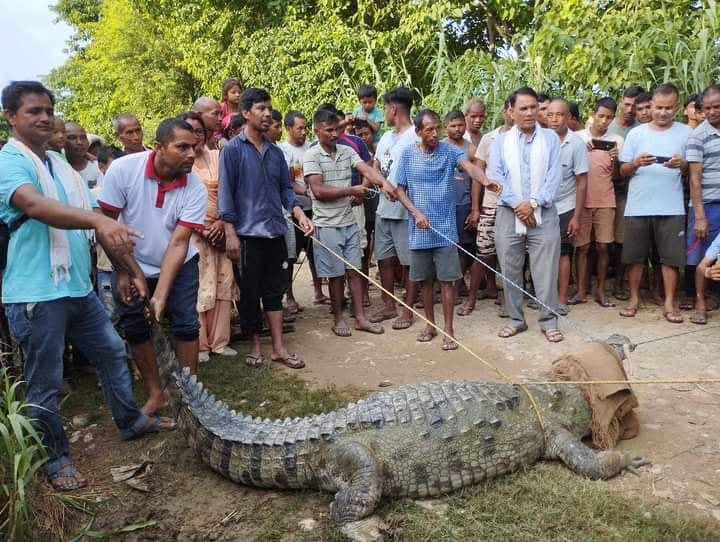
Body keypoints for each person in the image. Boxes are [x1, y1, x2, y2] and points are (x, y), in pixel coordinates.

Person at [0, 81, 174, 491]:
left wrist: (129, 269)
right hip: (36, 293)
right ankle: (55, 458)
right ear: (11, 117)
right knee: (44, 381)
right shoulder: (10, 161)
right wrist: (98, 221)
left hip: (78, 287)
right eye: (32, 111)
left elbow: (101, 227)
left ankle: (130, 420)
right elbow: (34, 205)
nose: (44, 117)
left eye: (47, 109)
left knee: (113, 352)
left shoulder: (61, 165)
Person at [99, 118, 208, 413]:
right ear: (158, 147)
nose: (190, 153)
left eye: (194, 147)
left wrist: (159, 294)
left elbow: (178, 243)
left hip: (178, 262)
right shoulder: (123, 170)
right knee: (135, 324)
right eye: (182, 147)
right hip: (128, 258)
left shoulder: (195, 187)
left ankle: (190, 395)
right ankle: (156, 393)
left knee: (185, 323)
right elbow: (105, 224)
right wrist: (122, 270)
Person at [218, 88, 313, 369]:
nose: (267, 113)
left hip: (275, 231)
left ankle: (278, 348)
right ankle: (256, 346)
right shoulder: (232, 151)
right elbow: (226, 196)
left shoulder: (275, 153)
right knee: (249, 294)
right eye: (260, 108)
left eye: (269, 108)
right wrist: (230, 233)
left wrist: (298, 213)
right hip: (246, 236)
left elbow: (285, 189)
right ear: (245, 113)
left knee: (275, 290)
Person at [394, 109, 499, 351]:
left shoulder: (450, 151)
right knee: (425, 282)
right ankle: (431, 325)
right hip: (419, 229)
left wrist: (486, 181)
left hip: (445, 229)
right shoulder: (408, 155)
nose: (434, 133)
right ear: (418, 132)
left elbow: (469, 167)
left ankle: (448, 329)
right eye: (428, 129)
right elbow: (399, 189)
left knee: (448, 282)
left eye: (436, 128)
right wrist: (416, 213)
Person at [304, 108, 393, 337]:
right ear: (317, 131)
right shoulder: (311, 156)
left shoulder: (346, 150)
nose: (334, 134)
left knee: (354, 270)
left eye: (337, 129)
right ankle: (338, 318)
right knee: (335, 275)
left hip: (349, 222)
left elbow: (366, 169)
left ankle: (360, 317)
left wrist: (385, 184)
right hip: (327, 224)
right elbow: (318, 190)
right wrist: (350, 190)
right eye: (329, 130)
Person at [488, 86, 563, 342]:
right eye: (524, 108)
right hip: (509, 214)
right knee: (510, 269)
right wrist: (519, 205)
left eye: (534, 107)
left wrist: (532, 203)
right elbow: (496, 177)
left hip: (544, 213)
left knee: (546, 271)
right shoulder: (499, 142)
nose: (530, 113)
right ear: (511, 112)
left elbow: (554, 178)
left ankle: (548, 320)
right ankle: (516, 320)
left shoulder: (551, 139)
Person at [618, 83, 691, 322]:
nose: (662, 113)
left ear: (677, 107)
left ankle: (670, 303)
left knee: (670, 259)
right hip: (638, 206)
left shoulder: (685, 133)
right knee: (635, 257)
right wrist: (636, 163)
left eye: (668, 108)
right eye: (658, 107)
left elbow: (693, 169)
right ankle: (634, 299)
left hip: (672, 206)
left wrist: (682, 165)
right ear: (651, 106)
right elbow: (622, 170)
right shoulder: (636, 134)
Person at [178, 111, 237, 360]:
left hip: (222, 230)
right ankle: (200, 344)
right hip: (193, 232)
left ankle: (220, 342)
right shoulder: (180, 164)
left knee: (224, 282)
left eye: (199, 131)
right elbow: (177, 202)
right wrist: (202, 228)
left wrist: (223, 224)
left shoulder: (218, 157)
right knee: (199, 284)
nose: (195, 137)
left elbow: (232, 191)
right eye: (189, 133)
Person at [368, 87, 420, 330]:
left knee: (408, 261)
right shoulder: (387, 138)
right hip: (383, 209)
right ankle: (389, 306)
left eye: (385, 108)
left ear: (393, 108)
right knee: (385, 259)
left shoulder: (415, 137)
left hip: (405, 210)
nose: (384, 114)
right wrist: (383, 183)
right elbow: (376, 165)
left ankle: (408, 310)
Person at [458, 98, 514, 316]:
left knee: (511, 254)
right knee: (483, 252)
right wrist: (476, 208)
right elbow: (477, 176)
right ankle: (471, 299)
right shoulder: (489, 139)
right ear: (505, 111)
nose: (512, 114)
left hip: (513, 206)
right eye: (510, 110)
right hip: (491, 204)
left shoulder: (525, 139)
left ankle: (508, 301)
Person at [573, 97, 624, 308]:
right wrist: (583, 151)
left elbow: (618, 176)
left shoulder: (617, 141)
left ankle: (601, 291)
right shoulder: (577, 138)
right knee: (582, 247)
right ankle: (581, 290)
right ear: (592, 113)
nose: (604, 121)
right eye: (601, 116)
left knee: (604, 246)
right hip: (581, 201)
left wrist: (616, 159)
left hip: (606, 199)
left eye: (609, 118)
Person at [279, 110, 327, 307]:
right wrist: (308, 192)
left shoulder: (313, 149)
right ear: (289, 128)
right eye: (299, 128)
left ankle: (318, 292)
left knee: (315, 252)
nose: (304, 132)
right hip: (294, 210)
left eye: (306, 128)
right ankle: (290, 297)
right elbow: (288, 182)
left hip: (314, 209)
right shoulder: (283, 151)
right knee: (291, 255)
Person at [545, 98, 589, 314]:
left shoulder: (577, 144)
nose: (554, 119)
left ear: (569, 117)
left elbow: (582, 181)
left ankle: (561, 299)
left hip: (565, 205)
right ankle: (545, 296)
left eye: (559, 114)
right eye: (550, 114)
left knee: (563, 253)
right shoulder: (539, 139)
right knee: (543, 253)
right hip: (542, 205)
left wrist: (577, 216)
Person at [686, 84, 720, 324]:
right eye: (707, 108)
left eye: (717, 106)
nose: (712, 112)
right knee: (702, 256)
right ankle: (700, 300)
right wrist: (699, 215)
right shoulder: (698, 135)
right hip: (706, 205)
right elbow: (694, 178)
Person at [443, 110, 478, 297]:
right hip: (444, 205)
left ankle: (458, 283)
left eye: (460, 125)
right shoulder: (440, 147)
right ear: (445, 126)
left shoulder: (471, 149)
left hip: (463, 203)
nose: (457, 129)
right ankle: (452, 283)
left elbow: (475, 181)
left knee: (466, 246)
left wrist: (474, 209)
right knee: (447, 246)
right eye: (453, 125)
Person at [64, 121, 104, 189]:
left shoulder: (98, 168)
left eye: (83, 137)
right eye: (72, 138)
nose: (79, 142)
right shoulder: (56, 167)